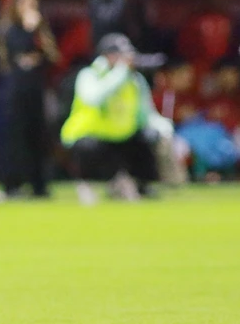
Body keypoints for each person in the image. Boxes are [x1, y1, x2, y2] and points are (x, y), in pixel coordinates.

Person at [61, 33, 173, 204]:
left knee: (147, 138)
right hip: (90, 136)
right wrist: (120, 73)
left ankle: (140, 184)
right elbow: (94, 97)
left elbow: (146, 112)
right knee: (88, 148)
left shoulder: (135, 79)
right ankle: (88, 185)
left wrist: (162, 127)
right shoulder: (90, 75)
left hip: (122, 137)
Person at [1, 0, 59, 198]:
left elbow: (52, 56)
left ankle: (39, 185)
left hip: (36, 91)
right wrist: (28, 31)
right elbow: (14, 54)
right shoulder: (10, 29)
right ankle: (12, 185)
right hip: (15, 92)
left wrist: (36, 33)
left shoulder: (41, 30)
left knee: (38, 138)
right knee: (15, 138)